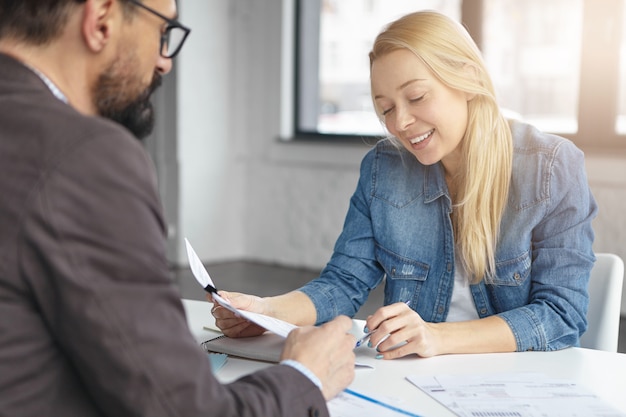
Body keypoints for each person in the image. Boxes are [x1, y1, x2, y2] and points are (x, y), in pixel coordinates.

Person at [0, 0, 356, 416]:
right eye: (162, 33)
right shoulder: (83, 155)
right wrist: (305, 376)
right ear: (101, 19)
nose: (165, 62)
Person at [212, 10, 598, 359]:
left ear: (469, 79)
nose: (401, 122)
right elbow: (344, 283)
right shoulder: (383, 168)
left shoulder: (550, 168)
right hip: (413, 381)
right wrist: (265, 311)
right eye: (386, 108)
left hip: (519, 386)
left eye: (416, 96)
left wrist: (437, 338)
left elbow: (561, 316)